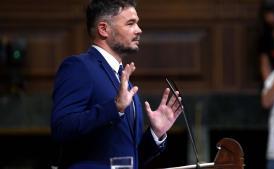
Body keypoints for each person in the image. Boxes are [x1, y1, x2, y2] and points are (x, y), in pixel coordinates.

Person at [51, 0, 182, 168]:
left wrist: (156, 133)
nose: (139, 30)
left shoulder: (123, 78)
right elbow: (61, 129)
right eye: (130, 23)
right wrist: (114, 107)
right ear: (104, 29)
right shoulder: (79, 67)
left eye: (137, 23)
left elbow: (128, 158)